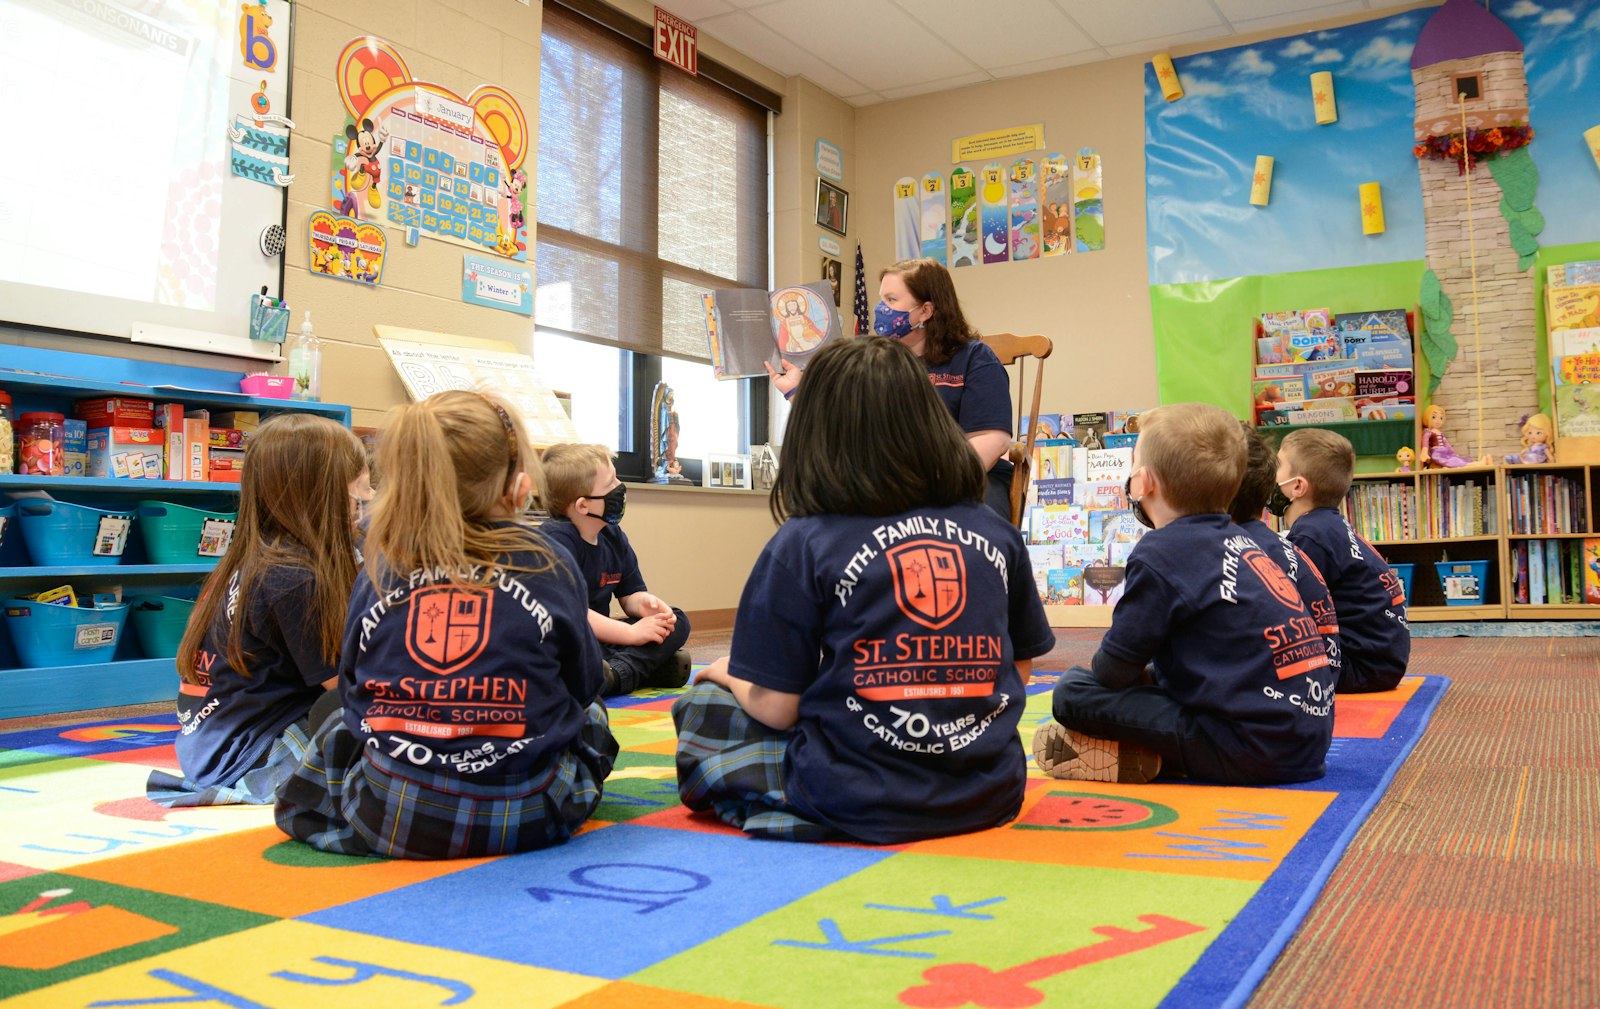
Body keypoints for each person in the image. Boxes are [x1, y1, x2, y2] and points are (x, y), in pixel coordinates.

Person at [673, 337, 1054, 844]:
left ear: (815, 432)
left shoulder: (802, 541)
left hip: (853, 794)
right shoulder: (995, 530)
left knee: (704, 700)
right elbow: (1020, 672)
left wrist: (729, 676)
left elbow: (777, 708)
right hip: (989, 793)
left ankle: (796, 803)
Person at [274, 390, 618, 858]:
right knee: (592, 715)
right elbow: (583, 682)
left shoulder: (382, 561)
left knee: (336, 718)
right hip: (530, 811)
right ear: (519, 487)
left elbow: (353, 686)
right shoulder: (548, 560)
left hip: (391, 811)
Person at [1034, 403, 1332, 786]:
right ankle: (1154, 755)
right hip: (1306, 739)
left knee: (1072, 691)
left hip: (1248, 748)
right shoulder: (1244, 540)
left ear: (1144, 483)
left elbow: (1111, 672)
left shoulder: (1161, 552)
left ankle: (1158, 756)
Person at [146, 414, 369, 807]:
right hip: (254, 755)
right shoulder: (295, 578)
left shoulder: (258, 558)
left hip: (210, 749)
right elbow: (350, 688)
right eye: (358, 494)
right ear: (320, 494)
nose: (363, 505)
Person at [766, 258, 1015, 518]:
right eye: (881, 299)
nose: (880, 309)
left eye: (891, 300)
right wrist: (796, 391)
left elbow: (992, 441)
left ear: (926, 311)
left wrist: (936, 485)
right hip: (894, 485)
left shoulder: (975, 359)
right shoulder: (875, 363)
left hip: (967, 483)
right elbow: (842, 426)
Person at [539, 443, 692, 696]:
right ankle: (629, 670)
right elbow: (574, 613)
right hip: (571, 635)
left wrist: (647, 605)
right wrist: (632, 633)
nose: (619, 487)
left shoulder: (612, 536)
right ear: (583, 506)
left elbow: (629, 595)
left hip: (603, 637)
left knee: (676, 620)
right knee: (568, 651)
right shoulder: (555, 541)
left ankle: (611, 674)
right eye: (611, 483)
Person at [1228, 424, 1340, 765]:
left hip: (1275, 716)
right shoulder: (1284, 540)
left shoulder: (1229, 551)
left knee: (1083, 695)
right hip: (1321, 697)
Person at [1274, 428, 1410, 694]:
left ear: (1297, 486)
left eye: (1277, 466)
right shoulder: (1328, 526)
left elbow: (1290, 607)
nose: (1269, 474)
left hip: (1360, 667)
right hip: (1381, 662)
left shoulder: (1312, 537)